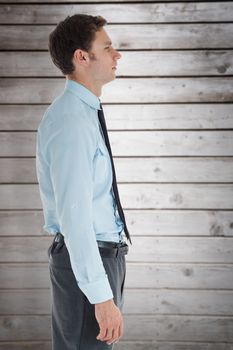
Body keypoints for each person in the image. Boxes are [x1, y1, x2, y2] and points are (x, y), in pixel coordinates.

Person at [36, 14, 132, 350]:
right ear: (82, 57)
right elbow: (74, 218)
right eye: (107, 48)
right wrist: (101, 297)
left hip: (101, 258)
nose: (116, 55)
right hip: (88, 262)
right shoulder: (71, 121)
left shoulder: (83, 114)